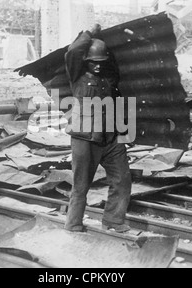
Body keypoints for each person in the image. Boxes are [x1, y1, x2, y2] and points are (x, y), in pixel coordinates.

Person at [64, 24, 132, 233]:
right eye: (94, 62)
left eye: (101, 62)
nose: (98, 66)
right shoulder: (77, 76)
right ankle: (73, 223)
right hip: (85, 138)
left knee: (122, 179)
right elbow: (73, 51)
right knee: (81, 185)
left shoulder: (108, 78)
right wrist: (89, 33)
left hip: (110, 138)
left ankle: (113, 219)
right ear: (86, 61)